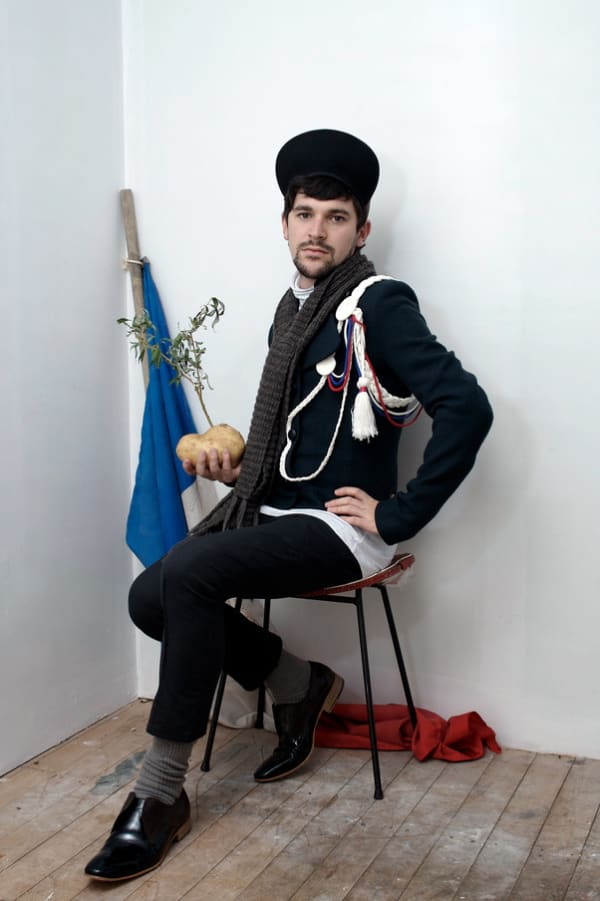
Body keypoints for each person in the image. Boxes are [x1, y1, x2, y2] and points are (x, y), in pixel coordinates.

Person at [85, 129, 493, 882]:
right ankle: (296, 685)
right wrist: (241, 464)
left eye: (336, 217)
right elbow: (297, 437)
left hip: (343, 529)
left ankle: (158, 794)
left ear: (361, 231)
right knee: (153, 593)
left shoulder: (378, 303)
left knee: (192, 573)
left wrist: (397, 514)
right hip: (279, 510)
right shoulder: (295, 308)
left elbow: (468, 408)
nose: (316, 230)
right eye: (305, 213)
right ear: (284, 222)